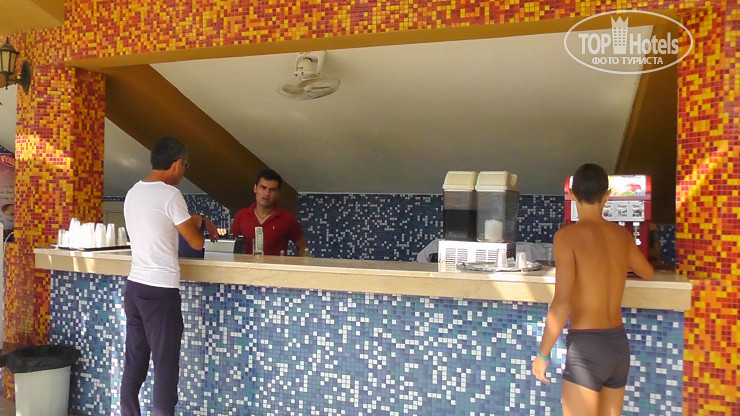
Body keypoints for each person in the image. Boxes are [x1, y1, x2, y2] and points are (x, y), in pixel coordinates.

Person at [532, 163, 654, 416]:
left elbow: (562, 302)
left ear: (572, 195)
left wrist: (543, 354)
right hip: (618, 346)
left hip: (587, 348)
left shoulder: (566, 237)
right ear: (607, 196)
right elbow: (648, 272)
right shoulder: (622, 236)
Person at [121, 136, 219, 416]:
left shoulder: (133, 192)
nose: (184, 171)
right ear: (177, 164)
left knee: (134, 363)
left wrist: (196, 219)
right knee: (165, 368)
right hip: (160, 292)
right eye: (186, 165)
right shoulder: (170, 195)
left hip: (135, 287)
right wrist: (201, 223)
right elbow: (196, 242)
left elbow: (161, 224)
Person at [230, 168, 308, 256]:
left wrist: (303, 260)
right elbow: (232, 245)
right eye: (263, 188)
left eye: (272, 190)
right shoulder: (241, 216)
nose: (266, 194)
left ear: (277, 193)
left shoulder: (287, 219)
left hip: (276, 265)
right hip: (245, 265)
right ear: (255, 188)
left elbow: (303, 247)